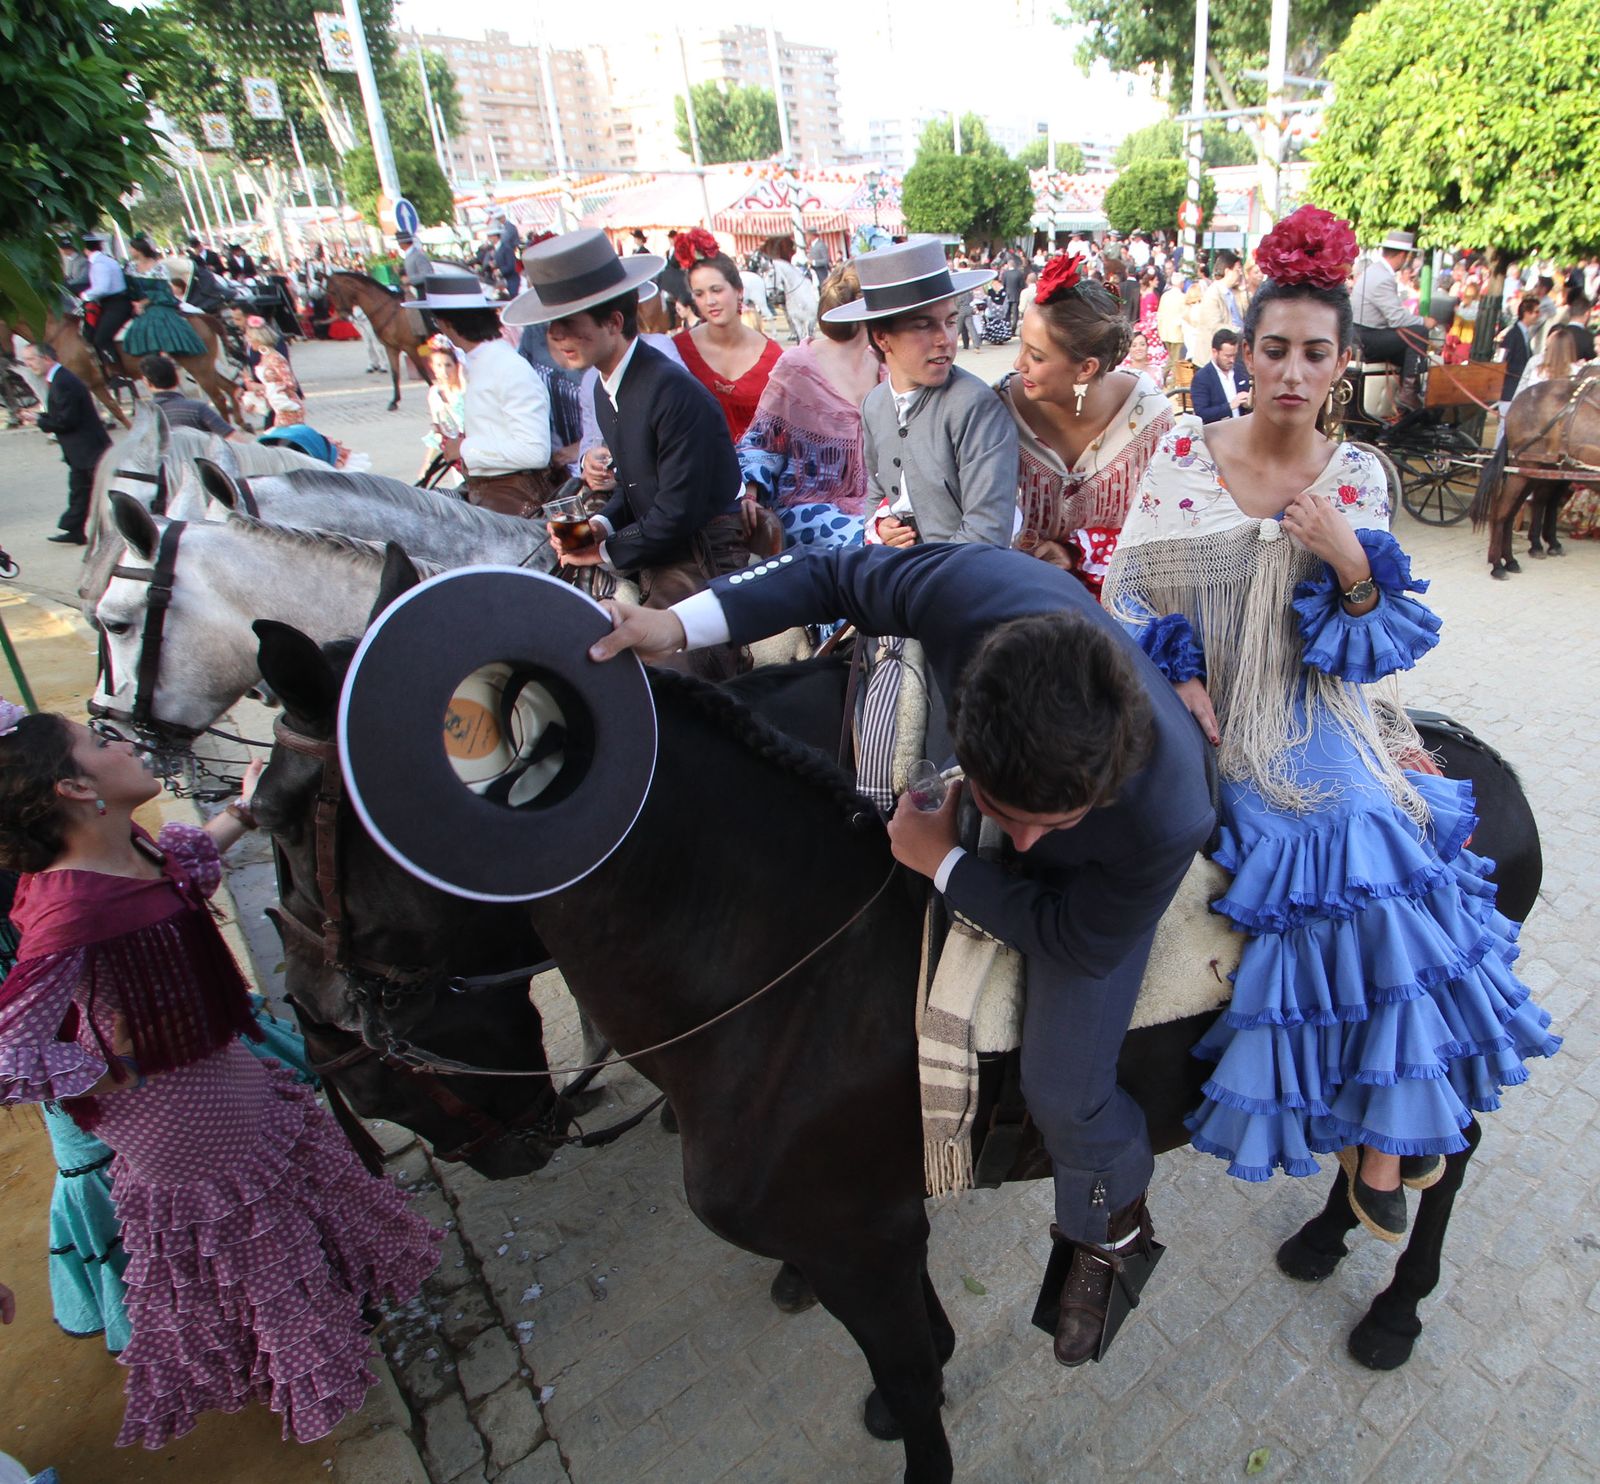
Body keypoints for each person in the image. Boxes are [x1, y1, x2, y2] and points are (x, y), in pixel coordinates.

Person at [588, 538, 1215, 1367]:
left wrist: (946, 861)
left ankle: (1112, 1221)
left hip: (1092, 890)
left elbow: (1078, 939)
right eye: (1005, 811)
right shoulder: (976, 588)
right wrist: (671, 624)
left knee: (1066, 1087)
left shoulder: (1169, 814)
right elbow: (830, 572)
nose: (1021, 842)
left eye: (1048, 825)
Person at [1104, 205, 1559, 1242]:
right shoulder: (1181, 447)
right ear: (1243, 355)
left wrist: (1349, 559)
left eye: (1316, 353)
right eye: (1274, 350)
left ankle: (1383, 1137)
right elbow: (1121, 599)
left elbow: (1380, 646)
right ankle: (1380, 1123)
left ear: (1342, 363)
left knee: (1365, 832)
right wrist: (1171, 674)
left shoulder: (1359, 476)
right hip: (1197, 709)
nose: (1293, 371)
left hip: (1310, 706)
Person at [0, 702, 440, 1447]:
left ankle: (336, 1319)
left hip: (225, 1088)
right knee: (261, 1263)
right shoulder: (68, 913)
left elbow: (176, 883)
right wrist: (101, 1067)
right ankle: (312, 1382)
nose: (125, 744)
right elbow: (8, 1056)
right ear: (75, 790)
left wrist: (244, 809)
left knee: (292, 1228)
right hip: (186, 1138)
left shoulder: (123, 853)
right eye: (101, 741)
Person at [505, 229, 758, 679]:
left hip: (701, 550)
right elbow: (634, 483)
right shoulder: (606, 389)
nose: (557, 335)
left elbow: (677, 512)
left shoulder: (673, 393)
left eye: (571, 320)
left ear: (613, 322)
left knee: (663, 676)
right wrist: (595, 527)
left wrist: (601, 551)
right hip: (658, 537)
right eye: (552, 324)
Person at [1001, 251, 1171, 595]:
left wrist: (1078, 551)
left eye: (1036, 356)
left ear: (1086, 368)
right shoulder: (997, 408)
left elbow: (1167, 536)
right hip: (1014, 608)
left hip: (1115, 620)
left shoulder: (1151, 418)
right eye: (1022, 346)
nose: (1019, 363)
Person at [843, 236, 1018, 550]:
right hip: (898, 571)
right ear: (883, 338)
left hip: (963, 578)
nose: (945, 339)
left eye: (950, 321)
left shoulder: (974, 406)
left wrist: (919, 580)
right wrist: (881, 527)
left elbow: (987, 531)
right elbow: (875, 486)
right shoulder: (875, 404)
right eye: (924, 325)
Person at [738, 264, 885, 548]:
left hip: (876, 503)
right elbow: (761, 440)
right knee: (872, 546)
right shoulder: (798, 366)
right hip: (810, 505)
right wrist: (750, 493)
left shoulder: (883, 367)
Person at [415, 265, 552, 515]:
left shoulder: (506, 367)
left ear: (445, 324)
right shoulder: (479, 362)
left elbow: (534, 451)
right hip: (487, 489)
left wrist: (464, 448)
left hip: (513, 499)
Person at [673, 252, 782, 442]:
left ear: (739, 291)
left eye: (716, 290)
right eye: (699, 294)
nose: (710, 301)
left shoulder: (773, 357)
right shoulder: (677, 351)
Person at [20, 342, 107, 546]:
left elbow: (67, 421)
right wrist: (39, 415)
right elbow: (62, 414)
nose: (28, 364)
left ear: (47, 359)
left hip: (88, 449)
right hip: (80, 450)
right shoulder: (59, 379)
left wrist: (39, 421)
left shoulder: (63, 382)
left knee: (98, 490)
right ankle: (74, 529)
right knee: (79, 489)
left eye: (31, 359)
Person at [1350, 230, 1433, 412]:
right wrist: (1423, 321)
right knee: (1419, 333)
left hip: (1363, 333)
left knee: (1410, 344)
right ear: (1403, 255)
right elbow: (1396, 319)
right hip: (1366, 337)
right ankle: (1408, 394)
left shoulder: (1374, 271)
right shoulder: (1383, 277)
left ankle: (1407, 392)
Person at [120, 237, 207, 362]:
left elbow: (164, 290)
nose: (129, 251)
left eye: (131, 248)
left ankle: (164, 356)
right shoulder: (130, 268)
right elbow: (129, 288)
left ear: (138, 250)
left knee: (154, 320)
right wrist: (134, 303)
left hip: (157, 302)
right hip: (136, 302)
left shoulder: (159, 267)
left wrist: (144, 303)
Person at [135, 354, 237, 439]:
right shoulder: (198, 408)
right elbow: (234, 439)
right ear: (178, 378)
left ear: (146, 382)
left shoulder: (145, 416)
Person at [78, 230, 133, 371]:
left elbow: (102, 288)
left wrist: (84, 296)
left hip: (116, 304)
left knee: (101, 338)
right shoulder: (104, 260)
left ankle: (117, 371)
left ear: (85, 249)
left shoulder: (99, 264)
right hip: (111, 303)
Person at [418, 338, 467, 485]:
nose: (444, 371)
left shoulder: (466, 391)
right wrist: (427, 464)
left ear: (457, 366)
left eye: (448, 365)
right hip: (455, 455)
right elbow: (438, 432)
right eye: (439, 365)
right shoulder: (434, 394)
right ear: (432, 367)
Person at [1190, 328, 1252, 423]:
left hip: (1243, 428)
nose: (1232, 360)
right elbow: (1201, 414)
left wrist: (1248, 403)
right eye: (1227, 356)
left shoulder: (1240, 370)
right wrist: (1229, 406)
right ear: (1215, 352)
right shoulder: (1202, 378)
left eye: (1234, 355)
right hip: (1218, 432)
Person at [1195, 250, 1246, 346]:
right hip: (1216, 352)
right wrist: (1241, 331)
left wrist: (1243, 288)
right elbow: (1215, 327)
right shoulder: (1213, 294)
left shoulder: (1234, 292)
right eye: (1238, 270)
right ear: (1227, 271)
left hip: (1235, 347)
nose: (1240, 273)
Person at [1157, 274, 1188, 366]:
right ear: (1181, 283)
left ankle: (1164, 376)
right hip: (1177, 333)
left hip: (1165, 331)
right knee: (1175, 360)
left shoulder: (1165, 296)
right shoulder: (1183, 297)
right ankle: (1172, 378)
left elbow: (1160, 313)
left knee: (1171, 358)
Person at [491, 210, 522, 298]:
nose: (498, 220)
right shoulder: (502, 228)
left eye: (499, 218)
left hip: (511, 254)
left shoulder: (509, 227)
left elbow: (505, 241)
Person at [397, 232, 431, 300]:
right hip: (418, 290)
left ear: (402, 243)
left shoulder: (418, 255)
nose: (398, 244)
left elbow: (427, 274)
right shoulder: (410, 254)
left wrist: (409, 279)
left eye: (398, 242)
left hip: (423, 291)